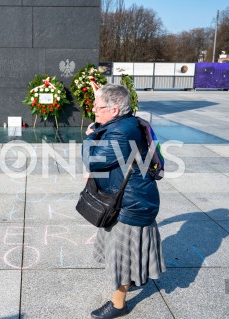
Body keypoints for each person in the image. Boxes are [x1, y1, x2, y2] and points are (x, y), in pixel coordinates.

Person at [82, 84, 165, 319]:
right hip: (128, 197)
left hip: (131, 203)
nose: (94, 111)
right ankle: (132, 279)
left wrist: (89, 138)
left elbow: (93, 160)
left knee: (123, 256)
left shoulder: (121, 132)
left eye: (98, 108)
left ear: (115, 110)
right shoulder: (124, 123)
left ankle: (119, 305)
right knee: (122, 251)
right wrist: (99, 124)